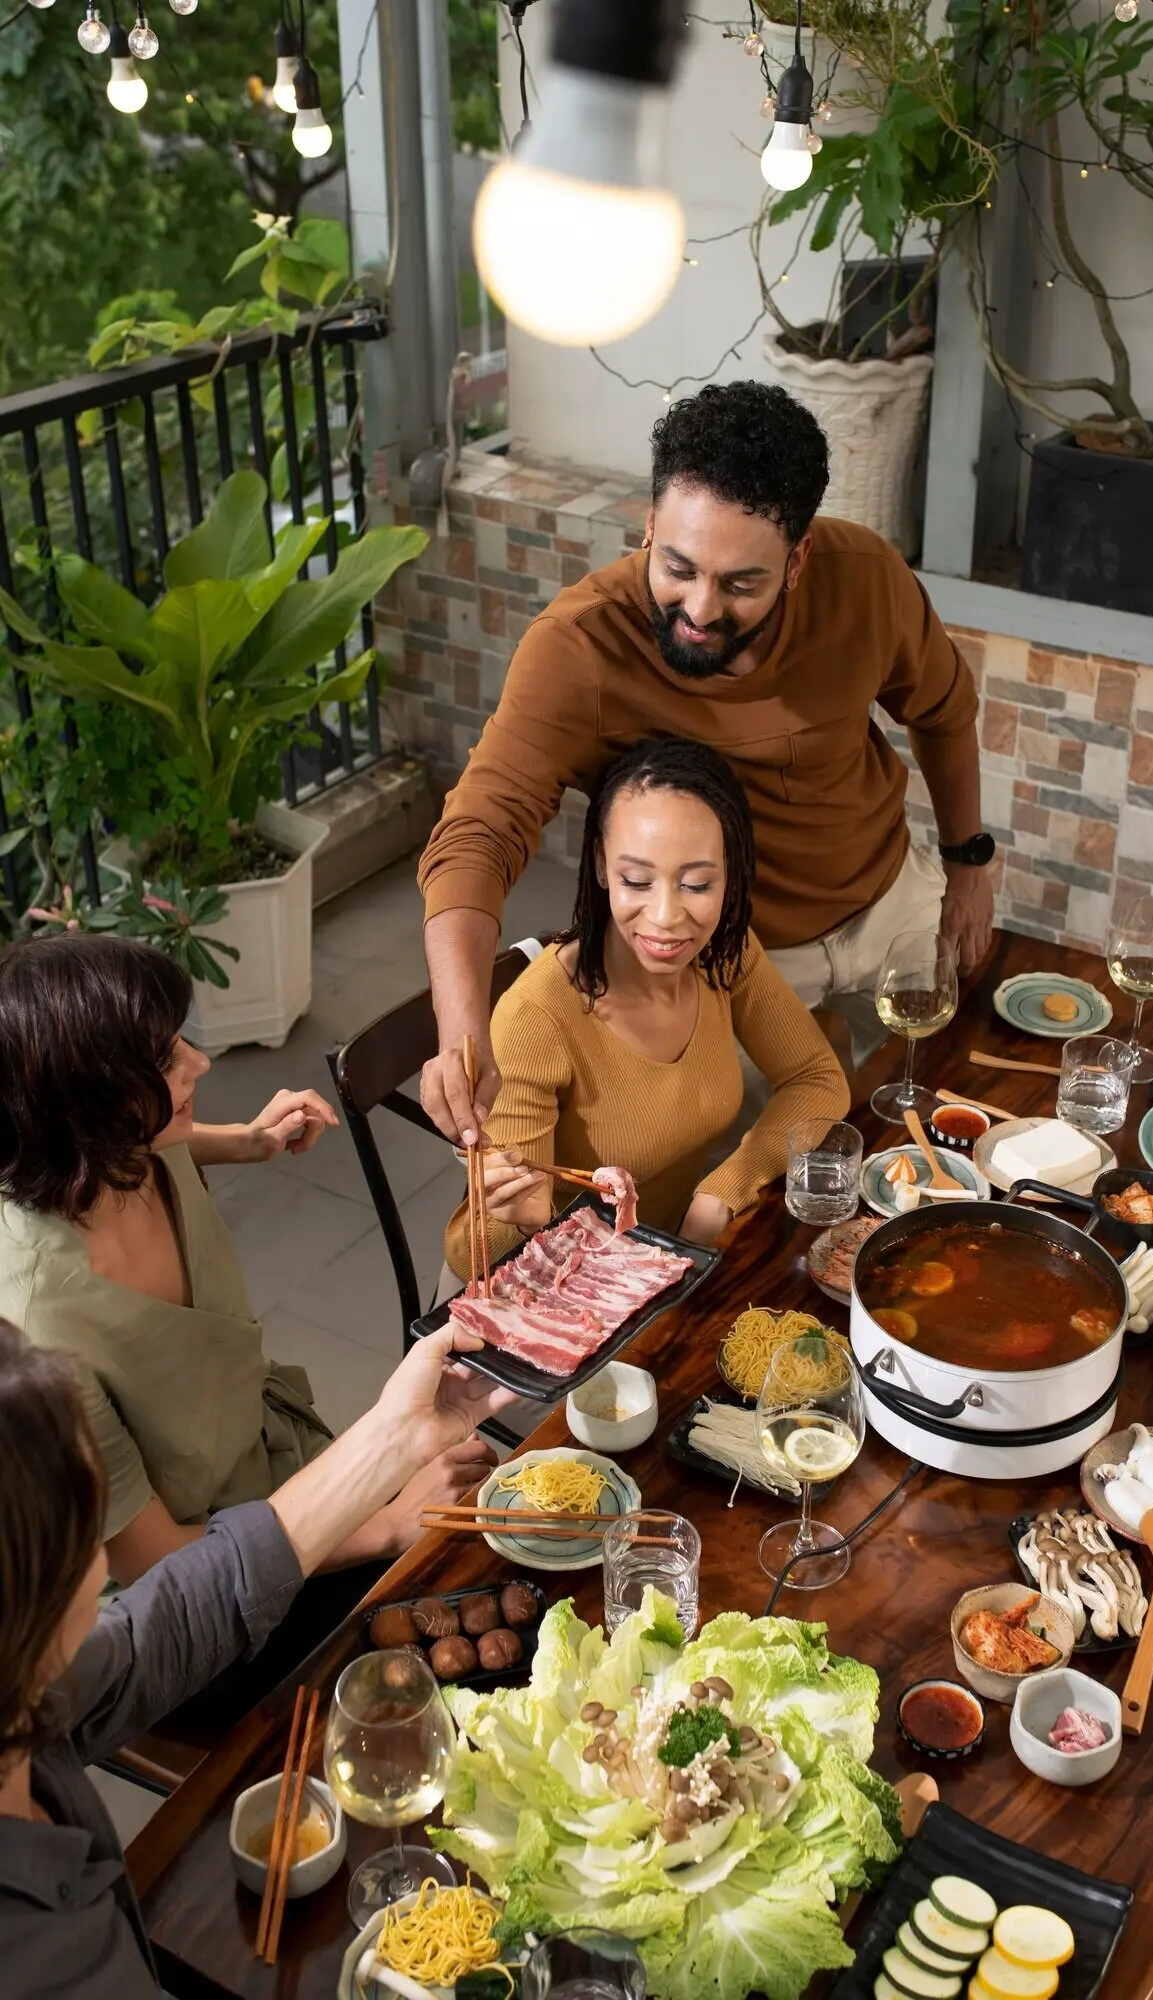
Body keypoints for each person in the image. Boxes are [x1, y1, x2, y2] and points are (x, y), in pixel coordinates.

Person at [418, 378, 994, 1145]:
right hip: (732, 959)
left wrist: (966, 864)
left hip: (892, 903)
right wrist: (461, 1030)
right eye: (679, 568)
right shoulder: (579, 648)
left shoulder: (865, 576)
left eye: (741, 584)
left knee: (963, 1113)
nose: (699, 609)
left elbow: (943, 710)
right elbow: (479, 832)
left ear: (797, 560)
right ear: (649, 525)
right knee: (756, 1178)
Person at [0, 1320, 513, 1997]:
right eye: (81, 1540)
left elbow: (174, 1617)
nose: (101, 1566)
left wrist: (397, 1434)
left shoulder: (27, 1691)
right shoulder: (36, 1959)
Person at [0, 935, 498, 1586]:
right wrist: (383, 1525)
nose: (200, 1063)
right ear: (83, 1105)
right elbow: (155, 1562)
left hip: (272, 1459)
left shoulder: (120, 1149)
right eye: (165, 1058)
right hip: (197, 1581)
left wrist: (246, 1141)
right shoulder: (40, 1328)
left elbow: (166, 1145)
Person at [443, 736, 849, 1276]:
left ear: (730, 873)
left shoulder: (722, 954)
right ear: (600, 865)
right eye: (636, 881)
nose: (665, 918)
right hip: (558, 1277)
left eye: (697, 884)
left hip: (664, 1255)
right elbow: (473, 1258)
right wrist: (519, 1221)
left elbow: (818, 1078)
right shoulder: (535, 1018)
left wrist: (721, 1193)